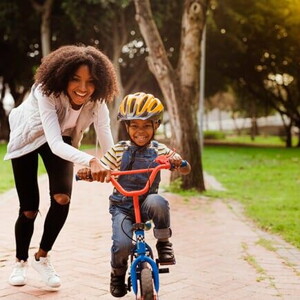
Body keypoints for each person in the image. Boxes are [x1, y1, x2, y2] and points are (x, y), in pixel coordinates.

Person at [4, 44, 119, 288]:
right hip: (28, 138)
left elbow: (106, 137)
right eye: (76, 80)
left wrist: (114, 164)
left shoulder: (97, 102)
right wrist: (91, 160)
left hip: (61, 138)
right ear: (63, 77)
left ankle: (42, 257)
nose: (83, 88)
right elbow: (54, 143)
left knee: (62, 197)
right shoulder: (45, 92)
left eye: (90, 82)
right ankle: (20, 260)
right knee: (29, 209)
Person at [77, 92, 191, 297]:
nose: (141, 131)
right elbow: (103, 166)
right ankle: (117, 274)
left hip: (146, 203)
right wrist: (91, 171)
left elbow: (185, 168)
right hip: (123, 206)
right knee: (121, 245)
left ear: (156, 126)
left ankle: (163, 242)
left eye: (147, 125)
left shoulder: (159, 149)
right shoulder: (119, 150)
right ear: (127, 127)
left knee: (159, 201)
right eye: (135, 126)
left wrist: (178, 163)